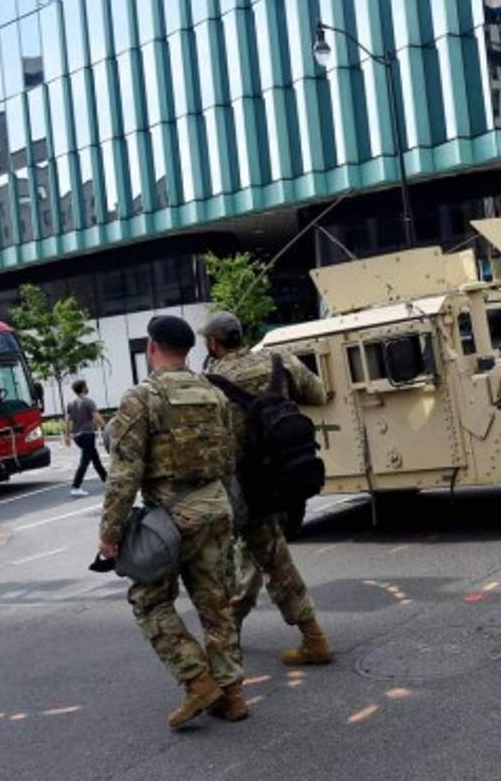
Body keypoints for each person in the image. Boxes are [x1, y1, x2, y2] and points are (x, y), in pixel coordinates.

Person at [98, 315, 246, 728]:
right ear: (189, 350)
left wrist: (110, 534)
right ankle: (232, 695)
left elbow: (124, 473)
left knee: (148, 600)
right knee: (217, 605)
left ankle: (197, 680)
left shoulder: (142, 397)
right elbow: (229, 459)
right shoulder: (213, 392)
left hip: (171, 518)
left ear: (151, 347)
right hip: (217, 507)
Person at [199, 311, 335, 666]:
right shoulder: (279, 360)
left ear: (213, 343)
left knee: (259, 558)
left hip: (246, 485)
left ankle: (309, 638)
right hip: (286, 475)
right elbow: (319, 394)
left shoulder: (211, 382)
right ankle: (241, 626)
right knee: (263, 551)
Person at [64, 379, 106, 496]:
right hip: (87, 435)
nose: (88, 388)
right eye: (86, 386)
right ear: (83, 388)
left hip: (77, 437)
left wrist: (67, 436)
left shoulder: (71, 403)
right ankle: (75, 486)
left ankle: (107, 480)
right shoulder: (88, 401)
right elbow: (96, 417)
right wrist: (106, 428)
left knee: (95, 459)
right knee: (85, 462)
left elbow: (68, 420)